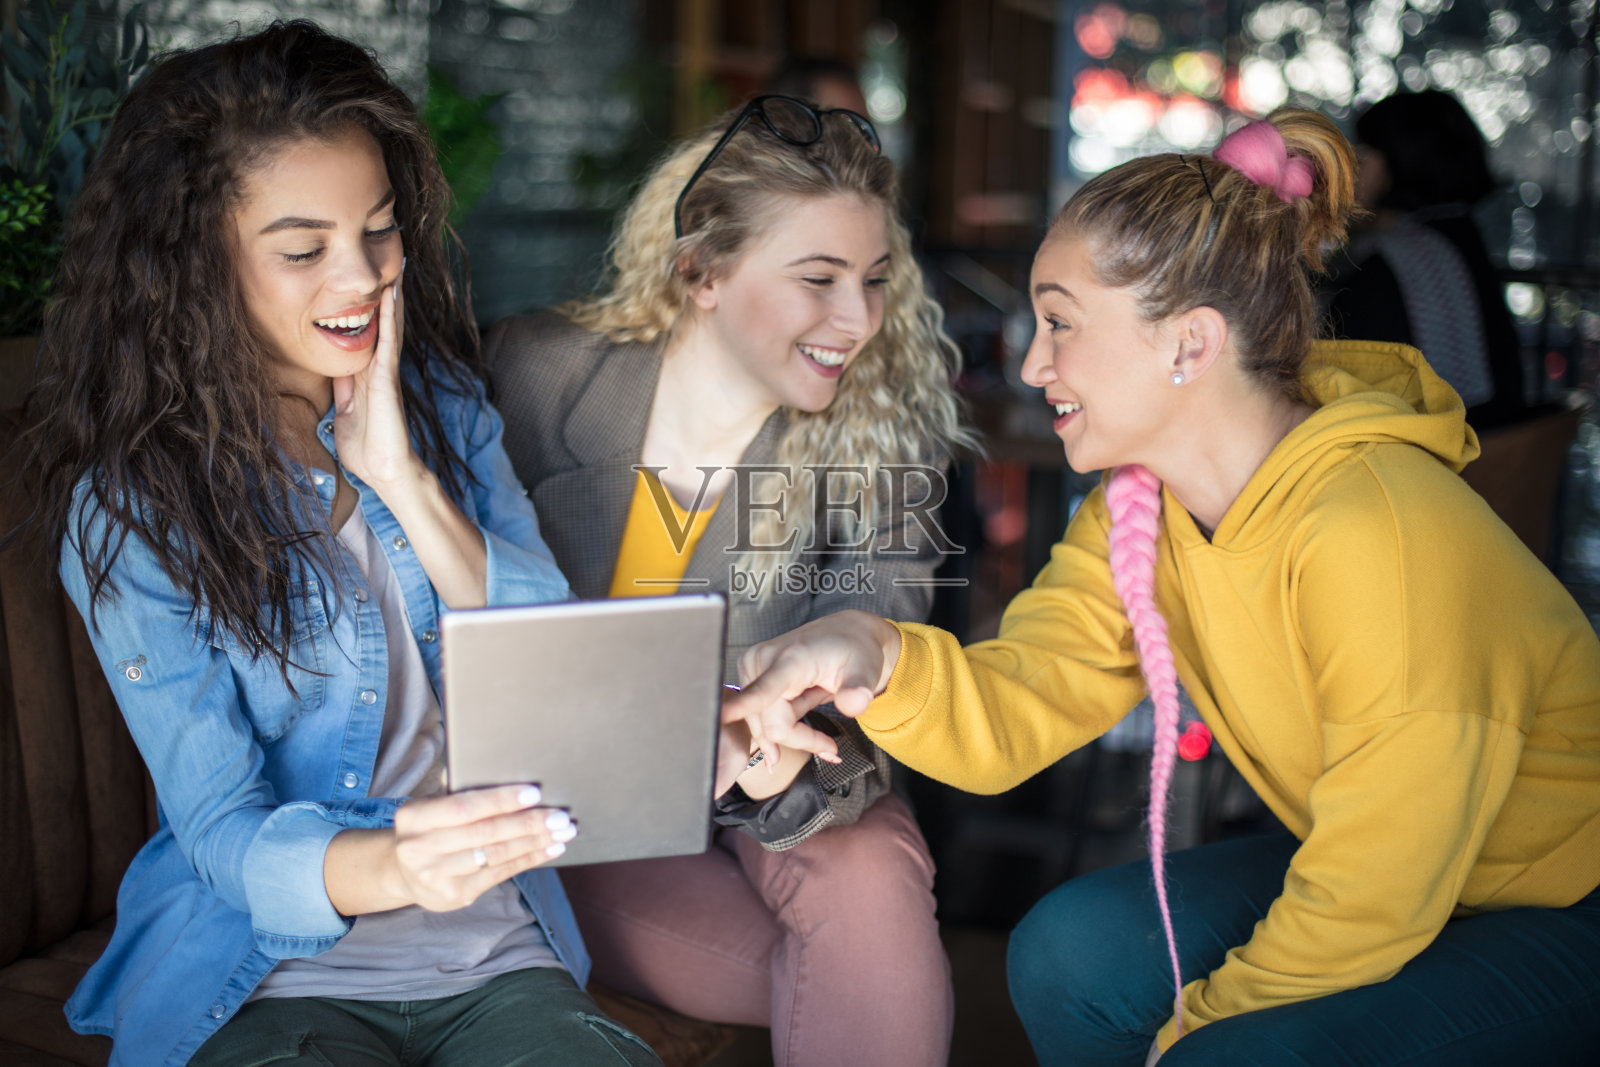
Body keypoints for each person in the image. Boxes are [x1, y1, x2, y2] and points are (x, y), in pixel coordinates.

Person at [727, 109, 1600, 1066]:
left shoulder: (1375, 528)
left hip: (1559, 899)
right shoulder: (1139, 509)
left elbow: (1379, 883)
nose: (1033, 363)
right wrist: (871, 650)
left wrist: (1195, 1028)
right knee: (1069, 955)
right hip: (1414, 866)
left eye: (1060, 322)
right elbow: (1023, 700)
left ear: (1189, 344)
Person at [6, 21, 666, 1066]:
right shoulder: (134, 506)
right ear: (194, 264)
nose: (361, 276)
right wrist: (398, 865)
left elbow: (557, 661)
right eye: (304, 249)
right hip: (264, 977)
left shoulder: (443, 406)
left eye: (380, 228)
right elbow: (221, 828)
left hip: (496, 958)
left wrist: (399, 474)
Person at [484, 94, 970, 1065]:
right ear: (701, 270)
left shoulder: (888, 429)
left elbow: (882, 623)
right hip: (575, 806)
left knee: (867, 861)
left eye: (875, 279)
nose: (860, 319)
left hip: (773, 785)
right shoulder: (534, 373)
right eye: (818, 278)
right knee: (859, 972)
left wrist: (771, 726)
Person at [1325, 89, 1526, 429]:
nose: (1347, 173)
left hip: (1439, 452)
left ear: (1397, 163)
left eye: (1361, 155)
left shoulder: (1393, 266)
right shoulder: (1459, 240)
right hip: (1496, 449)